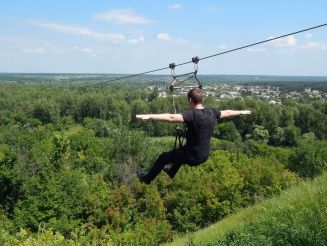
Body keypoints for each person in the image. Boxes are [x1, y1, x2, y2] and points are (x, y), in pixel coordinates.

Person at [136, 87, 251, 184]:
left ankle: (147, 179)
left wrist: (150, 116)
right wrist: (241, 112)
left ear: (190, 99)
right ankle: (171, 171)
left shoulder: (192, 115)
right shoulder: (212, 112)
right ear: (202, 100)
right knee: (180, 151)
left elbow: (171, 118)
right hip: (204, 155)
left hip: (193, 156)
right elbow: (228, 113)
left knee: (163, 157)